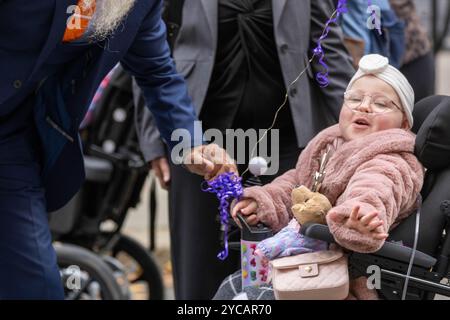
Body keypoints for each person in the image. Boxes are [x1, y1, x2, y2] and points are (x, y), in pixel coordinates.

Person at [0, 0, 235, 299]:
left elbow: (157, 73)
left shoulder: (140, 5)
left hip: (12, 144)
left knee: (37, 284)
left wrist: (190, 143)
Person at [134, 0, 355, 299]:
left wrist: (351, 136)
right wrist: (153, 140)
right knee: (200, 269)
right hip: (200, 145)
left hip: (285, 147)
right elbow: (150, 57)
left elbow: (328, 50)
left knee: (282, 273)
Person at [215, 54, 424, 300]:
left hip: (344, 279)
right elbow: (297, 183)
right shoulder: (331, 145)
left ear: (404, 125)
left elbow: (377, 186)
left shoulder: (392, 158)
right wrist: (265, 201)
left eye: (381, 104)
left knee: (252, 298)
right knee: (230, 288)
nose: (364, 106)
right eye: (355, 99)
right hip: (308, 262)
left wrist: (360, 215)